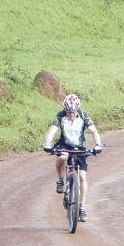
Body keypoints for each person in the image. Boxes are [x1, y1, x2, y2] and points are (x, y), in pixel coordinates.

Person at [42, 94, 103, 222]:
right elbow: (52, 131)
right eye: (68, 112)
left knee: (82, 177)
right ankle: (60, 180)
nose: (71, 114)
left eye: (73, 112)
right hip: (64, 144)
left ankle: (82, 207)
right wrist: (47, 144)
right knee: (62, 157)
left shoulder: (83, 116)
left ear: (77, 110)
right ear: (65, 109)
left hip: (80, 147)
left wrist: (98, 145)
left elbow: (94, 131)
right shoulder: (60, 116)